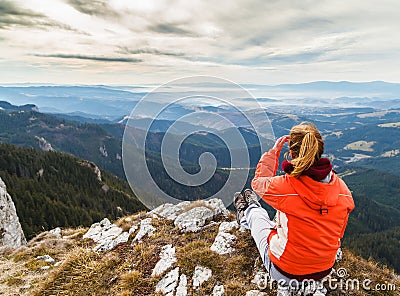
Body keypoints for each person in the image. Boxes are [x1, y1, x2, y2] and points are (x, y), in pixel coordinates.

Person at [234, 122, 355, 295]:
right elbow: (338, 232)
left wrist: (273, 153)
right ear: (318, 149)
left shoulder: (286, 186)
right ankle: (256, 214)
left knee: (258, 217)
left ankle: (248, 211)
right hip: (324, 269)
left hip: (286, 272)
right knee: (284, 219)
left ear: (291, 153)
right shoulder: (343, 192)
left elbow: (258, 184)